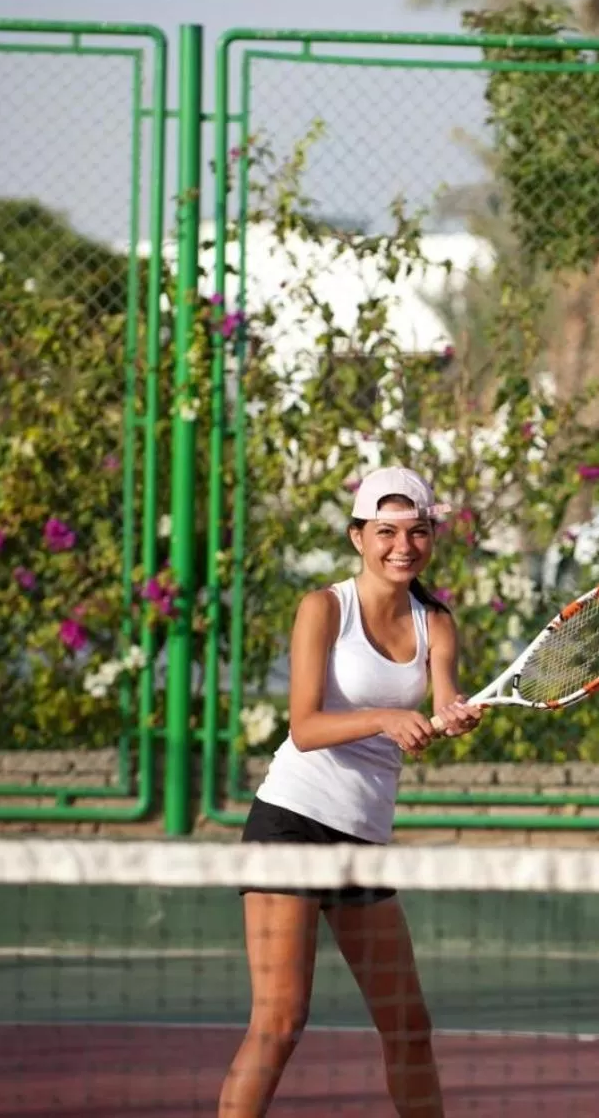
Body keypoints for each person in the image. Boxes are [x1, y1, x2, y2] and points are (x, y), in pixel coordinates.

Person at [218, 466, 484, 1118]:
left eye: (418, 531)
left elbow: (443, 696)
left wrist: (453, 715)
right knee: (280, 1021)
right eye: (386, 531)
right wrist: (386, 718)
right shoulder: (324, 608)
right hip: (291, 824)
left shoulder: (436, 622)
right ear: (357, 536)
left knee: (409, 1026)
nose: (403, 545)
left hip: (362, 841)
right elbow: (305, 727)